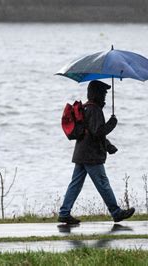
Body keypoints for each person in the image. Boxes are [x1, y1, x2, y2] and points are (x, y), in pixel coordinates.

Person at [58, 80, 135, 224]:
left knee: (75, 184)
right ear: (96, 94)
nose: (105, 96)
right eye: (103, 93)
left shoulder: (87, 108)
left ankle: (64, 213)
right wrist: (111, 125)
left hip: (81, 153)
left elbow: (90, 132)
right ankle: (116, 212)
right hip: (91, 155)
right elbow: (97, 132)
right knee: (103, 183)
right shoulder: (94, 110)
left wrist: (108, 145)